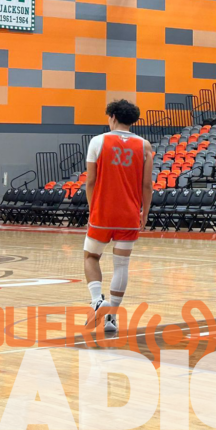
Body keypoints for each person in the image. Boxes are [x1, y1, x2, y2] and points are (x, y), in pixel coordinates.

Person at [83, 99, 154, 333]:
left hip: (102, 212)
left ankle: (96, 302)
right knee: (121, 264)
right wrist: (145, 211)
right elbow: (147, 186)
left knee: (91, 256)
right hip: (129, 213)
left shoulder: (98, 141)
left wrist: (93, 209)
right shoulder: (144, 146)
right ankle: (111, 316)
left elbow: (90, 181)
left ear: (112, 116)